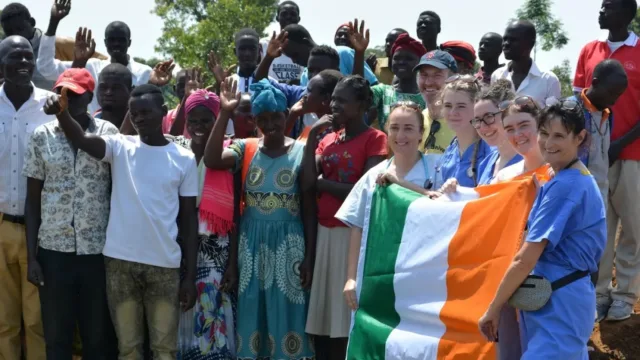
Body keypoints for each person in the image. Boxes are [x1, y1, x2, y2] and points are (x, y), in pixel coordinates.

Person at [42, 83, 199, 359]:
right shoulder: (120, 146)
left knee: (164, 349)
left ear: (163, 112)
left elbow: (188, 221)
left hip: (164, 266)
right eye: (134, 113)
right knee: (128, 349)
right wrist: (61, 114)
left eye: (146, 113)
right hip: (119, 265)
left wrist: (189, 278)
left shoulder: (184, 158)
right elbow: (81, 139)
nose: (139, 119)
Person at [479, 102, 606, 360]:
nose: (548, 143)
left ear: (579, 137)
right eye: (545, 133)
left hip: (561, 303)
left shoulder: (565, 186)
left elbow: (525, 258)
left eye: (559, 135)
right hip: (553, 299)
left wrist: (493, 308)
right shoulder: (559, 176)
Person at [203, 79, 315, 360]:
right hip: (250, 248)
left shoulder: (303, 151)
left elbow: (309, 210)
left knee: (288, 313)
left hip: (290, 246)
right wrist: (225, 112)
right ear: (255, 120)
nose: (270, 124)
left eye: (275, 117)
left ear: (285, 114)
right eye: (262, 119)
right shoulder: (246, 148)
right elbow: (212, 158)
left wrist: (310, 257)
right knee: (253, 314)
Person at [23, 68, 118, 359]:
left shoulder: (108, 133)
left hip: (96, 252)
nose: (66, 99)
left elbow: (117, 192)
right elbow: (33, 199)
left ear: (89, 96)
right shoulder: (42, 136)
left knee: (97, 336)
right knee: (57, 336)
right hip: (54, 251)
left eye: (74, 93)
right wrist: (32, 258)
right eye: (61, 91)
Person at [302, 75, 387, 360]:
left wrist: (324, 184)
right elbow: (305, 182)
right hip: (325, 233)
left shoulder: (375, 140)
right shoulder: (327, 139)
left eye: (342, 100)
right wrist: (312, 137)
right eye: (333, 98)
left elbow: (364, 191)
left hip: (351, 237)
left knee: (343, 322)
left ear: (362, 105)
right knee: (323, 324)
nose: (334, 104)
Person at [573, 0, 640, 321]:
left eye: (609, 6)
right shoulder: (589, 50)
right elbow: (579, 100)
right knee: (599, 227)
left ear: (629, 14)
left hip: (633, 154)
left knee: (632, 228)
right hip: (593, 158)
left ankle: (625, 294)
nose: (601, 11)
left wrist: (620, 143)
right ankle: (599, 293)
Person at [338, 101, 434, 312]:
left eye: (408, 128)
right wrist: (351, 278)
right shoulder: (372, 176)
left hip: (424, 272)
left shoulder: (438, 167)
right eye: (394, 128)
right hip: (377, 272)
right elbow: (357, 226)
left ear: (421, 133)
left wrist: (399, 183)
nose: (400, 135)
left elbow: (443, 204)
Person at [168, 90, 238, 359]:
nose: (198, 127)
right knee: (182, 309)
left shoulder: (229, 151)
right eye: (192, 121)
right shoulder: (176, 149)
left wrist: (232, 261)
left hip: (216, 247)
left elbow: (235, 214)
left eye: (206, 120)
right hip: (180, 244)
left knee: (212, 312)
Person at [0, 35, 53, 360]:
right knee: (4, 321)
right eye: (15, 57)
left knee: (37, 321)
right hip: (2, 226)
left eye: (28, 57)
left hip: (41, 229)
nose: (23, 63)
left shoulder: (50, 106)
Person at [36, 0, 172, 114]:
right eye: (112, 40)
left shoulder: (145, 73)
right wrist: (53, 22)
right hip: (93, 136)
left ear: (129, 42)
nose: (116, 44)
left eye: (121, 40)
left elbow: (150, 107)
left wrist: (153, 85)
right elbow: (46, 68)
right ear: (105, 43)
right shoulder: (90, 67)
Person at [0, 2, 106, 90]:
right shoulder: (4, 52)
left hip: (54, 111)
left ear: (32, 22)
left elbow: (102, 64)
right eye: (10, 32)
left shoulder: (59, 44)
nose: (17, 35)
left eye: (20, 29)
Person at [432, 75, 492, 189]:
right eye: (448, 106)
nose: (453, 112)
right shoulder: (449, 153)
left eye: (461, 106)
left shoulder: (490, 152)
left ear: (477, 108)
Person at [280, 23, 378, 86]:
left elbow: (374, 87)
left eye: (295, 55)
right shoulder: (305, 75)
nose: (294, 61)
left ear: (305, 42)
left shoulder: (343, 53)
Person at [363, 34, 426, 131]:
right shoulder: (383, 91)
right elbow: (358, 95)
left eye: (408, 58)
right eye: (396, 58)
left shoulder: (427, 97)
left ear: (419, 63)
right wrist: (359, 53)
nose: (401, 62)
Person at [491, 20, 561, 107]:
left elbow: (553, 117)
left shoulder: (549, 80)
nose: (506, 44)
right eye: (504, 39)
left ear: (530, 43)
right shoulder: (497, 76)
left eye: (513, 40)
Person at [474, 80, 521, 185]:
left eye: (489, 117)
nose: (482, 127)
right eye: (477, 120)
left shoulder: (529, 161)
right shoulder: (485, 163)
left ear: (508, 114)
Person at [495, 96, 548, 183]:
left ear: (540, 125)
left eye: (523, 126)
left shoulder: (559, 173)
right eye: (510, 129)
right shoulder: (504, 177)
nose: (517, 134)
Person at [414, 50, 458, 154]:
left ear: (453, 79)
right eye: (424, 75)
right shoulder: (416, 120)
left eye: (437, 75)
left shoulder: (463, 124)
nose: (429, 82)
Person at [287, 69, 344, 141]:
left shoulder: (336, 133)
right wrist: (293, 114)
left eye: (309, 91)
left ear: (326, 98)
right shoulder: (309, 130)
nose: (304, 95)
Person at [259, 0, 302, 82]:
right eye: (284, 14)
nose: (288, 17)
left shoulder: (305, 46)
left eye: (293, 14)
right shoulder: (264, 44)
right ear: (277, 18)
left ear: (298, 19)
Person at [94, 63, 132, 128]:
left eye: (116, 88)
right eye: (103, 87)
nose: (108, 93)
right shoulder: (86, 125)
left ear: (131, 91)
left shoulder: (140, 127)